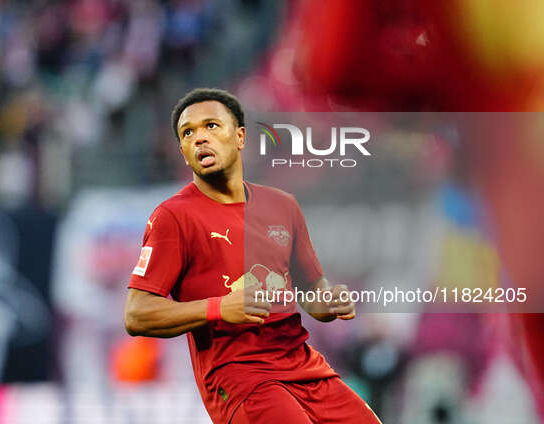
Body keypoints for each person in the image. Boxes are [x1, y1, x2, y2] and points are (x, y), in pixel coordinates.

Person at [124, 88, 381, 424]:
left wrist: (329, 301)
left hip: (305, 368)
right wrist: (219, 308)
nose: (200, 138)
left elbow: (313, 293)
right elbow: (137, 314)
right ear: (184, 153)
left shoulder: (282, 206)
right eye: (188, 133)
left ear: (240, 136)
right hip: (241, 379)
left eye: (211, 126)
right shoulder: (173, 217)